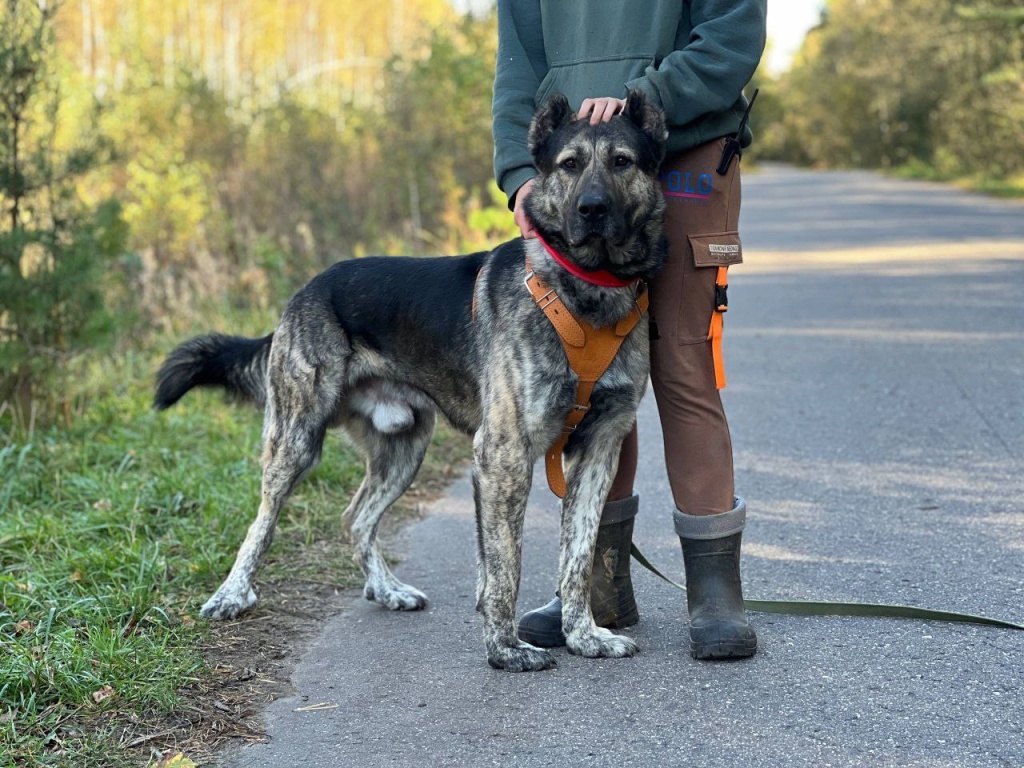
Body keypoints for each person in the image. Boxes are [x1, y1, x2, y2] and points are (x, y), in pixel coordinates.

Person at [492, 0, 767, 660]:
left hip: (687, 152)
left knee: (681, 360)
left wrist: (643, 95)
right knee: (592, 375)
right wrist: (520, 174)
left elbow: (732, 35)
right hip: (574, 170)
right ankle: (596, 584)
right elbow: (518, 63)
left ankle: (715, 596)